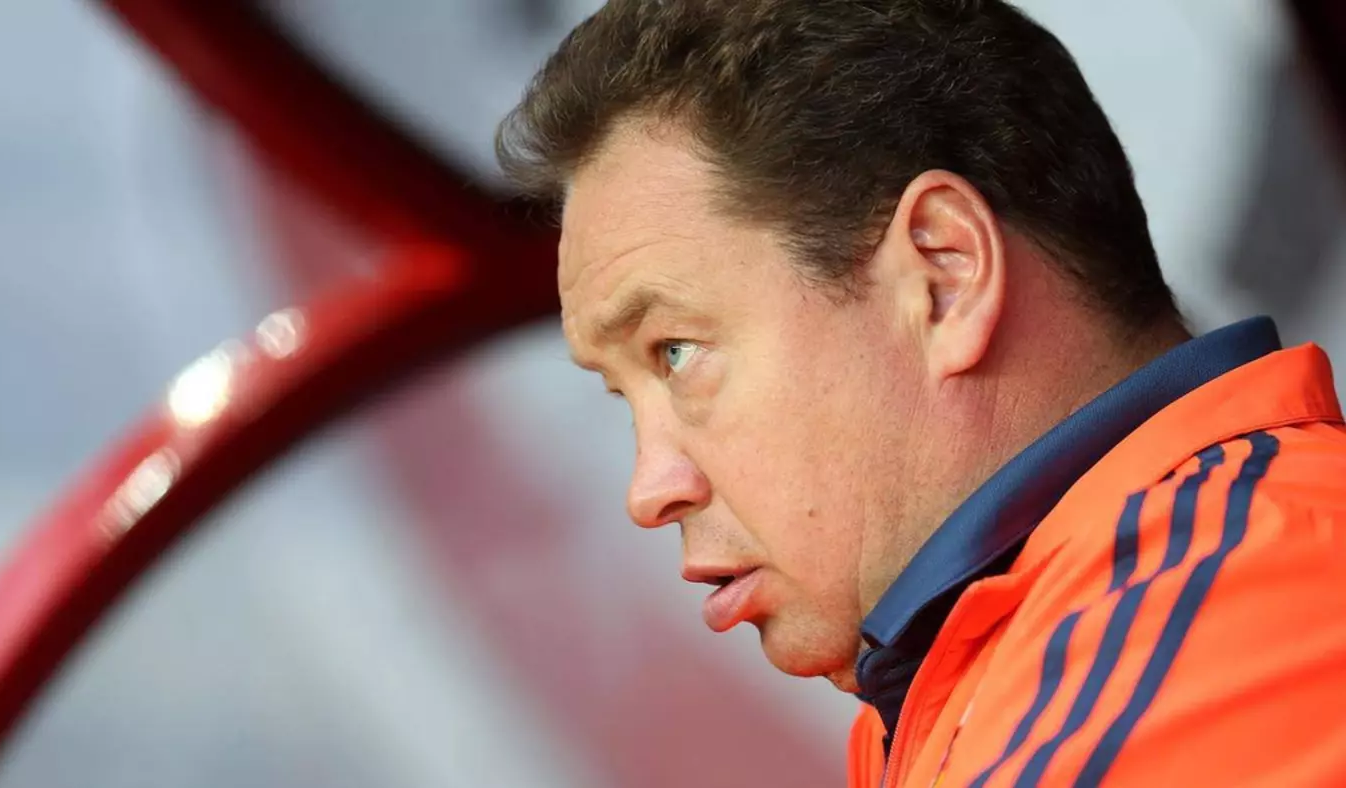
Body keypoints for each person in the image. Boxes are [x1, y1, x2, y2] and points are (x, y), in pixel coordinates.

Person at [495, 1, 1346, 785]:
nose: (650, 491)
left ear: (944, 274)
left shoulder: (1228, 621)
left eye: (677, 352)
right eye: (624, 395)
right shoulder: (991, 668)